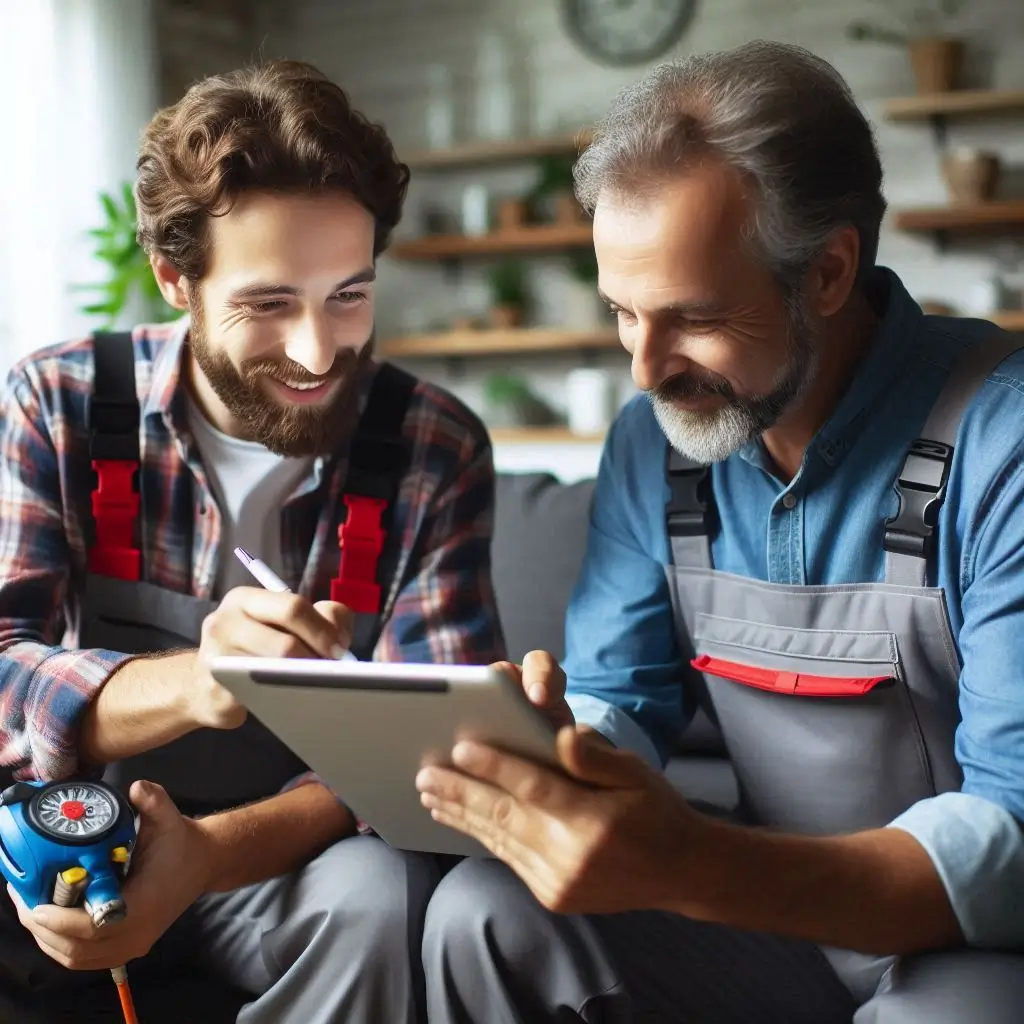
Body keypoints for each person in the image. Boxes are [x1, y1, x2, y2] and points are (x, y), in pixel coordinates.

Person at [416, 40, 1024, 1023]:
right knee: (483, 912)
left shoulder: (1005, 443)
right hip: (760, 918)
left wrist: (697, 864)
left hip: (965, 946)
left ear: (828, 271)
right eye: (623, 313)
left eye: (692, 317)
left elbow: (1013, 838)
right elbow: (619, 695)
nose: (644, 369)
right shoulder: (649, 446)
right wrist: (562, 755)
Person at [0, 60, 504, 1023]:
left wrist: (204, 858)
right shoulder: (58, 403)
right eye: (269, 303)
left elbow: (431, 757)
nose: (319, 352)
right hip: (66, 847)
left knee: (378, 893)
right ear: (176, 279)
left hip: (279, 864)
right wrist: (200, 681)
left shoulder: (431, 446)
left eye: (349, 294)